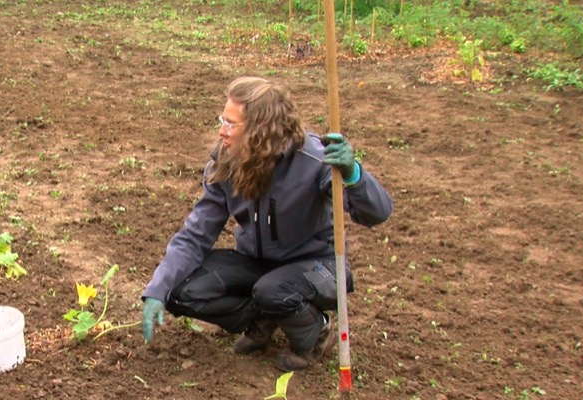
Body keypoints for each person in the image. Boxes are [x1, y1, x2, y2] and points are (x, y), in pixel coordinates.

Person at [140, 77, 393, 371]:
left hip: (318, 268)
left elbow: (377, 213)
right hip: (259, 265)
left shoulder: (315, 161)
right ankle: (265, 318)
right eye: (223, 119)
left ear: (261, 131)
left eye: (232, 123)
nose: (222, 130)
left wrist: (354, 175)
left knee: (273, 289)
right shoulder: (228, 162)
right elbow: (195, 235)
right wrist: (157, 290)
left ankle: (317, 331)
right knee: (180, 289)